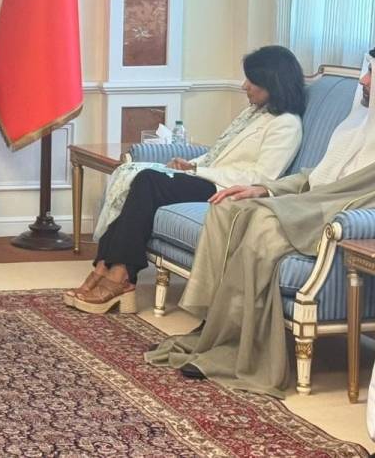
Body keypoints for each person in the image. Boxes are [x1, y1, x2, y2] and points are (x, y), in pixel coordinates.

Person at [146, 49, 375, 396]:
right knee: (228, 207)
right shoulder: (357, 124)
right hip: (310, 201)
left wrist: (282, 201)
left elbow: (347, 193)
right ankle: (215, 325)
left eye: (371, 74)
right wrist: (264, 188)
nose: (364, 80)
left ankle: (240, 345)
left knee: (262, 222)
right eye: (366, 71)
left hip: (333, 215)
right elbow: (315, 177)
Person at [68, 45, 306, 314]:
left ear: (272, 82)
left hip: (226, 189)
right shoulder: (253, 114)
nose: (244, 86)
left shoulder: (287, 124)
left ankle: (120, 274)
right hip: (209, 177)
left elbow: (261, 177)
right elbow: (219, 153)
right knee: (136, 178)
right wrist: (192, 164)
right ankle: (105, 267)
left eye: (252, 80)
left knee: (148, 180)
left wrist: (198, 172)